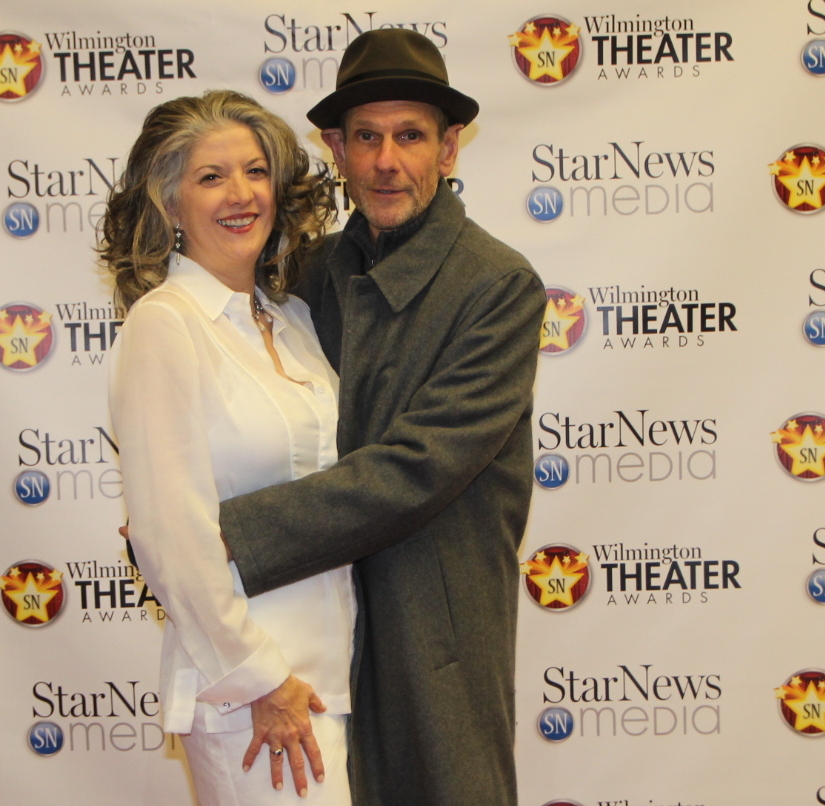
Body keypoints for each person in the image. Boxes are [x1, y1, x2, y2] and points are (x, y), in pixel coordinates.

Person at [217, 30, 547, 806]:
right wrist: (173, 520)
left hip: (437, 623)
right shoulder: (305, 273)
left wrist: (226, 531)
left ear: (449, 148)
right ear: (335, 147)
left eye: (409, 137)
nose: (385, 162)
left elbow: (417, 467)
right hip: (306, 618)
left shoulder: (497, 285)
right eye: (365, 137)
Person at [104, 90, 354, 805]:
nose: (241, 194)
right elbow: (167, 532)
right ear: (168, 204)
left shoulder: (294, 322)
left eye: (254, 171)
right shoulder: (165, 326)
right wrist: (260, 680)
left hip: (332, 684)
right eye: (210, 177)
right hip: (251, 699)